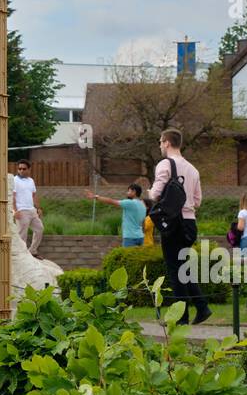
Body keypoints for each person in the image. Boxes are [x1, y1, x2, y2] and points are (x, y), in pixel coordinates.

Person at [149, 128, 210, 326]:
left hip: (173, 222)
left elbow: (155, 194)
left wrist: (150, 191)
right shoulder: (193, 169)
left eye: (160, 141)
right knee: (182, 267)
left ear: (167, 142)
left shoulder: (165, 164)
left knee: (175, 270)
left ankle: (182, 317)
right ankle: (201, 307)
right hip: (190, 223)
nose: (160, 145)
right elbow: (198, 201)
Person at [83, 182, 147, 247]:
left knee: (127, 256)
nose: (127, 193)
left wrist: (95, 196)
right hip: (140, 237)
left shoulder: (130, 203)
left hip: (130, 237)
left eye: (128, 191)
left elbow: (111, 201)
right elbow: (143, 223)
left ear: (134, 192)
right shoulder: (143, 205)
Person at [12, 160, 44, 256]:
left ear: (29, 169)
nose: (21, 170)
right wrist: (15, 211)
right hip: (21, 211)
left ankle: (32, 251)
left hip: (32, 210)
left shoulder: (31, 181)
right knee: (22, 235)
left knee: (40, 229)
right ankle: (21, 255)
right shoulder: (14, 180)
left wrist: (38, 208)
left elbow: (34, 196)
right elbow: (12, 196)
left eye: (24, 169)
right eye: (19, 169)